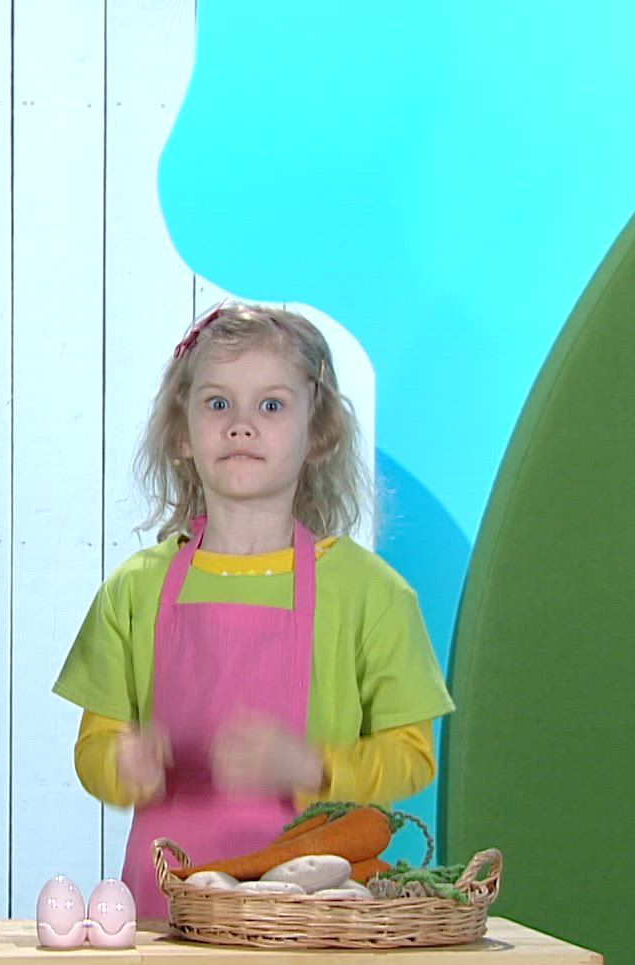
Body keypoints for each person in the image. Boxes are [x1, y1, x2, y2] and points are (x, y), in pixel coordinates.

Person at [53, 303, 450, 920]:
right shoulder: (134, 590)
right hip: (169, 911)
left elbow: (413, 756)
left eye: (271, 405)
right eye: (218, 403)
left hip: (315, 919)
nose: (241, 425)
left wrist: (311, 766)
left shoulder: (372, 594)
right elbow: (94, 748)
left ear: (319, 433)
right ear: (181, 432)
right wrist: (120, 763)